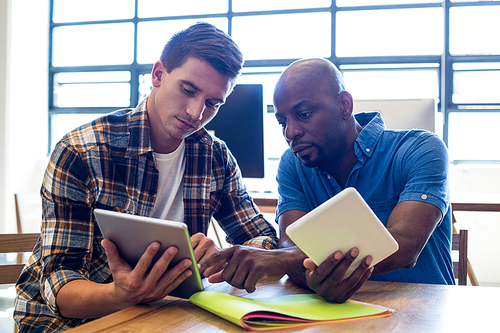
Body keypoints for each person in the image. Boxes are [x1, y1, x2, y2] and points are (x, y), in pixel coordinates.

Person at [14, 22, 278, 332]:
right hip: (64, 320)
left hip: (159, 313)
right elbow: (60, 288)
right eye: (188, 90)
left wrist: (225, 256)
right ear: (157, 74)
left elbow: (262, 238)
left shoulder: (214, 156)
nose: (195, 113)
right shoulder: (82, 151)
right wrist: (121, 295)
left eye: (212, 103)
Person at [199, 58, 454, 303]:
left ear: (344, 105)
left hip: (419, 312)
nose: (290, 132)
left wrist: (283, 260)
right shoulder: (293, 164)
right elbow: (290, 244)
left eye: (304, 114)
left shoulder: (420, 149)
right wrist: (311, 275)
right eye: (282, 122)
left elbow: (403, 245)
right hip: (331, 317)